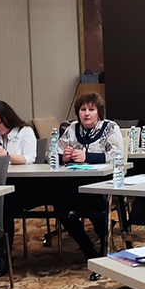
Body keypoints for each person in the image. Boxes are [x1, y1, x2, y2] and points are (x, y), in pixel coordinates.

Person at [53, 93, 124, 259]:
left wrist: (88, 157)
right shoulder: (72, 129)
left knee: (93, 202)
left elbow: (117, 154)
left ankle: (105, 245)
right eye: (83, 109)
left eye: (91, 109)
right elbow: (52, 153)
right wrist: (63, 157)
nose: (86, 113)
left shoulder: (110, 127)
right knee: (59, 205)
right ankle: (86, 246)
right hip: (73, 181)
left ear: (99, 112)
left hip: (101, 181)